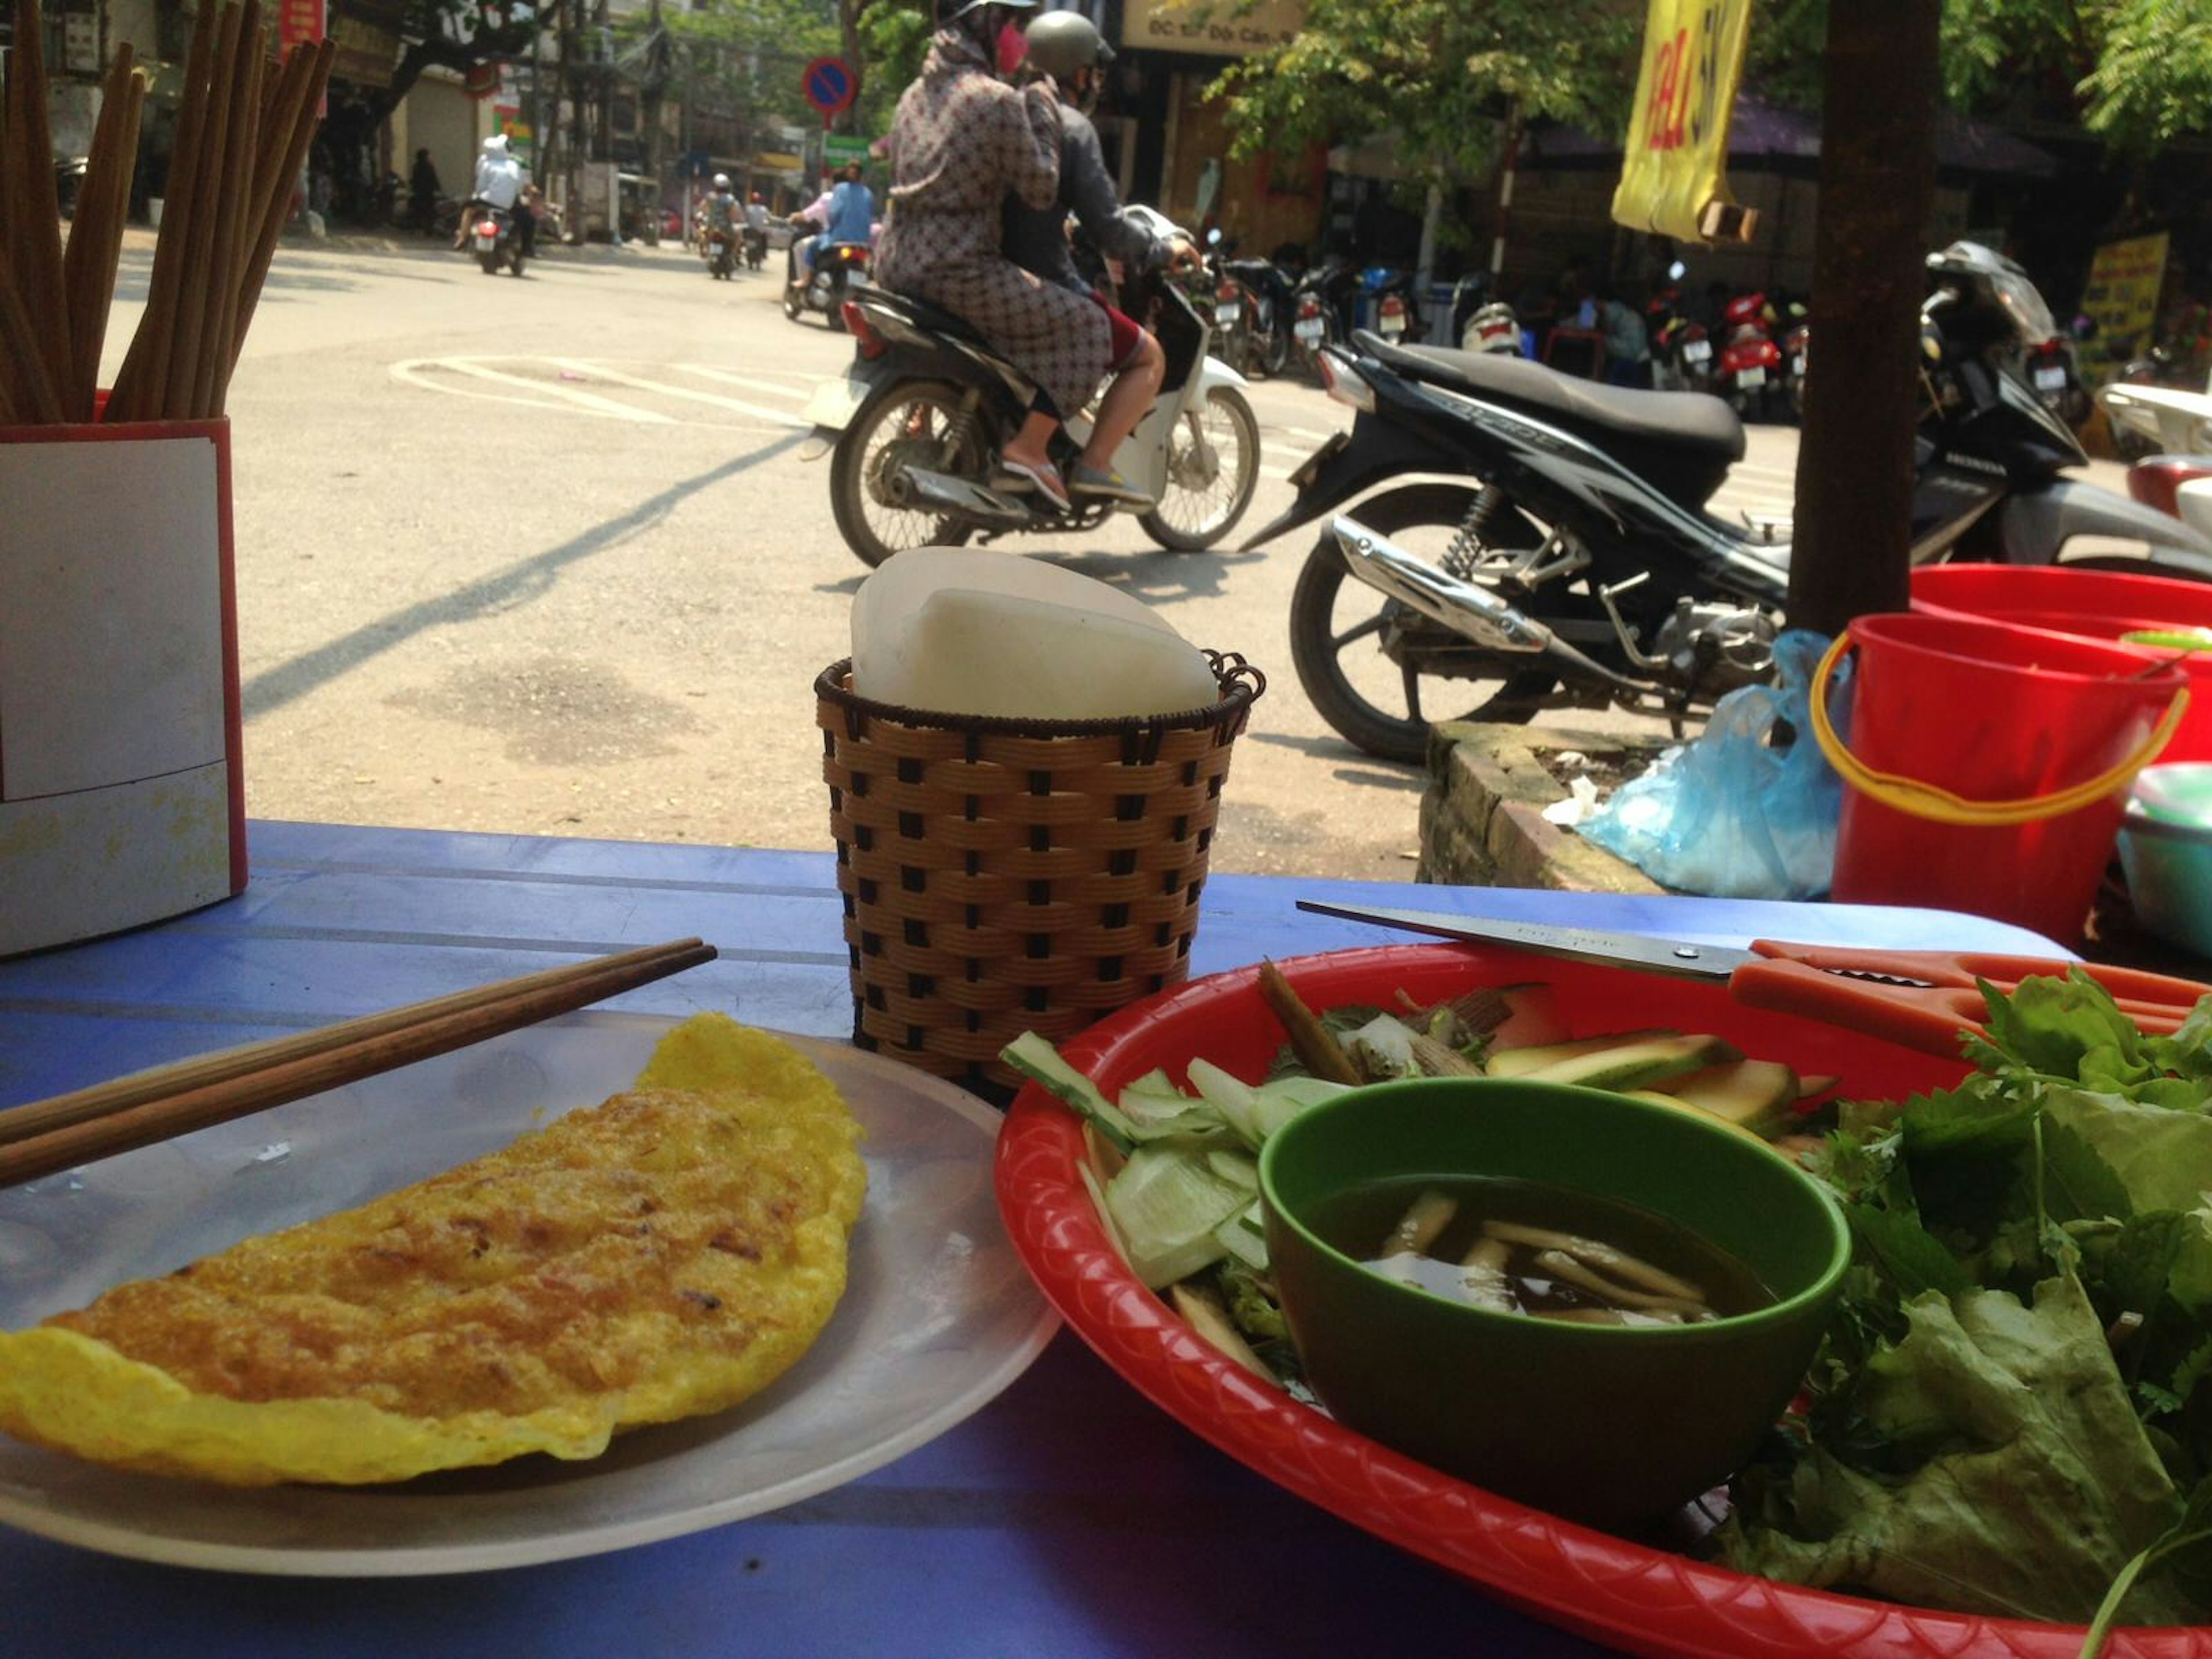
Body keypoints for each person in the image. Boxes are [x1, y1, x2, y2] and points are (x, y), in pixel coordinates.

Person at [876, 0, 1112, 510]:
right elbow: (1041, 189)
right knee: (1091, 328)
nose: (1018, 39)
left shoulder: (914, 94)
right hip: (959, 269)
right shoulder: (998, 100)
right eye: (1010, 24)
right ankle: (1028, 448)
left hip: (894, 261)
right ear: (984, 26)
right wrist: (1044, 110)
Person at [1000, 9, 1195, 506]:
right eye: (1092, 70)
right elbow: (1109, 227)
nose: (1095, 82)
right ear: (1077, 70)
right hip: (1041, 277)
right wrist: (1159, 251)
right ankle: (1093, 463)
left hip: (989, 272)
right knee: (1146, 354)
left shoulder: (1002, 109)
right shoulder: (1071, 128)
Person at [453, 134, 528, 253]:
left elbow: (480, 187)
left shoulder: (487, 165)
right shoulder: (513, 165)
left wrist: (478, 195)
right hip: (508, 205)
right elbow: (519, 187)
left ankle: (463, 238)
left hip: (488, 201)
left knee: (468, 210)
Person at [786, 177, 838, 296]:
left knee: (800, 247)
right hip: (856, 241)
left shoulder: (827, 198)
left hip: (831, 237)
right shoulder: (860, 196)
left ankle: (804, 282)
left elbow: (807, 214)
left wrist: (794, 217)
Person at [407, 146, 440, 237]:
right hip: (428, 194)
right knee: (429, 213)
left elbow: (415, 180)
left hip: (419, 194)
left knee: (419, 212)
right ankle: (429, 231)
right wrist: (437, 189)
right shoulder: (429, 167)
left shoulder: (416, 167)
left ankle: (419, 229)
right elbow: (434, 179)